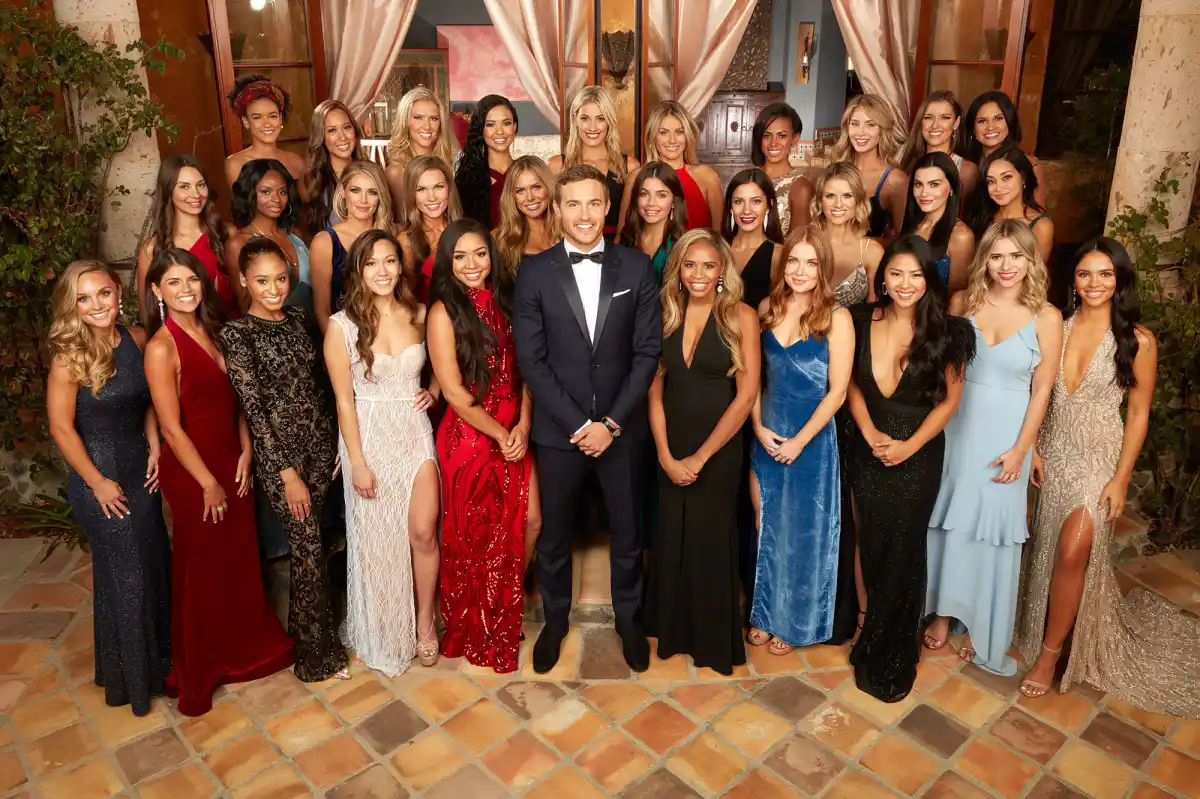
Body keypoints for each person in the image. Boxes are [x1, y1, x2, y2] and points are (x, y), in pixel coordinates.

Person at [1016, 238, 1198, 716]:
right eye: (1084, 274)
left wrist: (1120, 479)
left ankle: (1050, 656)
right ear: (1073, 279)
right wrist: (1032, 446)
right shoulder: (1053, 324)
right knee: (1047, 544)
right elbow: (1033, 391)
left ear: (1120, 281)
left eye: (1105, 274)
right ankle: (1043, 620)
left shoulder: (1138, 341)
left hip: (1098, 457)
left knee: (1073, 549)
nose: (1094, 283)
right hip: (1053, 450)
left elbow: (1137, 414)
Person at [514, 164, 661, 674]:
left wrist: (611, 424)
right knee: (555, 536)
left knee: (628, 535)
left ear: (607, 208)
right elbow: (531, 360)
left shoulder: (637, 268)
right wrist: (580, 426)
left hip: (622, 431)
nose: (584, 214)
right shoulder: (534, 272)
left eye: (593, 203)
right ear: (557, 209)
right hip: (560, 433)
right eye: (573, 203)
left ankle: (629, 623)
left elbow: (647, 353)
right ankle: (554, 624)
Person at [143, 248, 294, 714]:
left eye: (191, 279)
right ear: (156, 290)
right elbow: (171, 428)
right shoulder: (161, 348)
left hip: (232, 457)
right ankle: (203, 658)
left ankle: (243, 647)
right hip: (194, 470)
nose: (186, 289)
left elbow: (239, 398)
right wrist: (208, 482)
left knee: (237, 557)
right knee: (203, 563)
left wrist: (246, 449)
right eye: (173, 282)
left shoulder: (214, 328)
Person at [923, 220, 1062, 675]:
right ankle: (941, 613)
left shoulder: (1047, 317)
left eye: (1016, 255)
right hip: (957, 427)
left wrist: (1023, 449)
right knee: (949, 522)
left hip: (1008, 437)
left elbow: (1043, 390)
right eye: (998, 255)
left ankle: (980, 623)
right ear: (985, 259)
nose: (1006, 265)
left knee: (992, 534)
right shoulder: (963, 303)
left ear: (1030, 260)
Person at [844, 235, 975, 702]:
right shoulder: (858, 320)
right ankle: (871, 622)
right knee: (870, 538)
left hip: (918, 452)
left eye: (915, 275)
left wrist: (909, 447)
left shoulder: (951, 332)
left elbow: (950, 403)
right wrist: (869, 433)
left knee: (904, 544)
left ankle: (891, 643)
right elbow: (850, 385)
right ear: (882, 278)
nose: (904, 283)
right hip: (866, 445)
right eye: (896, 273)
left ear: (929, 279)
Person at [218, 239, 348, 683]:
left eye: (280, 279)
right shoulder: (236, 335)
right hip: (282, 458)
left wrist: (336, 440)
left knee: (314, 546)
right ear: (243, 281)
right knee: (308, 548)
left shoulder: (296, 318)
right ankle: (317, 658)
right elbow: (254, 412)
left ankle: (302, 637)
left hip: (320, 446)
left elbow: (317, 385)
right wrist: (286, 474)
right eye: (262, 281)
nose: (274, 289)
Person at [47, 261, 171, 716]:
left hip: (141, 470)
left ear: (118, 293)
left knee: (152, 562)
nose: (97, 304)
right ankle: (133, 683)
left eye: (103, 293)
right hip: (98, 477)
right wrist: (96, 482)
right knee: (127, 575)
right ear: (73, 306)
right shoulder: (68, 357)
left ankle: (147, 667)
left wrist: (155, 445)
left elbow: (148, 403)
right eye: (84, 298)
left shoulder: (136, 338)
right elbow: (61, 428)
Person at [325, 229, 440, 675]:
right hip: (369, 437)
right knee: (377, 540)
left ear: (400, 266)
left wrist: (433, 389)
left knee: (424, 532)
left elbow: (446, 360)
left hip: (414, 431)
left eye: (390, 261)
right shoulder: (341, 326)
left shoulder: (421, 313)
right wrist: (356, 461)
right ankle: (385, 626)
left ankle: (425, 624)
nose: (382, 271)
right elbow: (343, 401)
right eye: (371, 263)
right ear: (358, 270)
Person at [646, 229, 761, 675]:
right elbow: (654, 390)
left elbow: (746, 397)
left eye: (708, 265)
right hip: (670, 443)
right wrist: (664, 453)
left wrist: (700, 457)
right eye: (689, 265)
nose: (698, 274)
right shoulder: (665, 314)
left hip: (719, 448)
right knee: (671, 536)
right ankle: (673, 633)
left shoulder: (741, 316)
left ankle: (712, 641)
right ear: (678, 270)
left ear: (722, 271)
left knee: (711, 539)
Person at [429, 219, 536, 672]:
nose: (472, 264)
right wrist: (500, 433)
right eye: (460, 256)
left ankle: (503, 602)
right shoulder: (442, 312)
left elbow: (528, 370)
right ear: (447, 262)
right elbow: (454, 393)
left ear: (491, 256)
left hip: (514, 429)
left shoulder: (509, 302)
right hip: (470, 436)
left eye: (479, 254)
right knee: (473, 534)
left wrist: (523, 426)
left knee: (531, 520)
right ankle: (473, 619)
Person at [749, 226, 853, 653]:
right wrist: (757, 425)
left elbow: (838, 392)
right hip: (767, 432)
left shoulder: (837, 317)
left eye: (811, 263)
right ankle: (764, 613)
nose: (800, 270)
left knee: (805, 532)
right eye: (793, 260)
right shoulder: (766, 309)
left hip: (812, 441)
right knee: (766, 524)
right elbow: (752, 378)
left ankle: (794, 623)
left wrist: (799, 442)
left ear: (823, 268)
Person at [136, 154, 236, 321]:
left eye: (201, 185)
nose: (196, 194)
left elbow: (247, 295)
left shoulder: (226, 234)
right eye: (184, 187)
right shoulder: (152, 248)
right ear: (168, 191)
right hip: (182, 334)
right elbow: (148, 311)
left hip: (233, 331)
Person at [310, 160, 394, 333]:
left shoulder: (393, 236)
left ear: (380, 196)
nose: (363, 200)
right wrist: (338, 345)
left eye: (372, 192)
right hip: (342, 337)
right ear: (342, 191)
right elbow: (322, 309)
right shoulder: (324, 242)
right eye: (355, 190)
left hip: (389, 333)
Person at [226, 159, 311, 319]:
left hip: (317, 328)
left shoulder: (296, 235)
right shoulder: (239, 244)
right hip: (274, 330)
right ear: (251, 195)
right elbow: (245, 305)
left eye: (282, 192)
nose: (276, 199)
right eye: (266, 192)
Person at [550, 86, 640, 238]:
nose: (592, 127)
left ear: (609, 121)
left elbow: (634, 220)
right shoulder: (557, 165)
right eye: (585, 118)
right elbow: (552, 221)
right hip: (571, 245)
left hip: (618, 246)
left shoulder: (630, 166)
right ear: (575, 119)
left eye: (600, 118)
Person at [620, 101, 722, 231]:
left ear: (688, 136)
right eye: (663, 132)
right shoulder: (636, 177)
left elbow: (719, 234)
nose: (672, 140)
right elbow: (622, 234)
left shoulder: (707, 176)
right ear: (652, 137)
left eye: (679, 132)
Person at [831, 95, 908, 240]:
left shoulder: (895, 180)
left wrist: (861, 247)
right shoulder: (835, 170)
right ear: (847, 127)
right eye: (855, 124)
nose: (861, 132)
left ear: (882, 130)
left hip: (871, 254)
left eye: (870, 125)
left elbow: (903, 239)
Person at [900, 153, 975, 294]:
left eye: (934, 185)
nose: (924, 193)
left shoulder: (961, 236)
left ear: (951, 187)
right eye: (918, 184)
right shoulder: (912, 225)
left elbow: (956, 298)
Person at [811, 163, 884, 306]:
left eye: (846, 196)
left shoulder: (872, 251)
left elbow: (875, 310)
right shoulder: (806, 243)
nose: (838, 204)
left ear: (858, 201)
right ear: (820, 200)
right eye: (830, 196)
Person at [968, 146, 1054, 264]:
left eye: (1006, 177)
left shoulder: (1041, 225)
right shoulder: (982, 219)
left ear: (1023, 178)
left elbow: (1037, 273)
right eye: (991, 181)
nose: (998, 188)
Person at [397, 155, 462, 304]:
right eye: (421, 189)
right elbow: (406, 299)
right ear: (411, 194)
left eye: (438, 187)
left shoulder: (467, 232)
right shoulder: (405, 241)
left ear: (449, 188)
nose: (431, 197)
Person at [964, 91, 1046, 208]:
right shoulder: (966, 167)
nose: (990, 127)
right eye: (982, 121)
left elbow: (1037, 215)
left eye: (998, 118)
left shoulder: (1030, 165)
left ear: (1010, 122)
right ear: (973, 129)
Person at [223, 74, 305, 189]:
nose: (267, 124)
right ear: (246, 122)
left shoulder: (297, 162)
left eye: (272, 116)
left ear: (280, 118)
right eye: (257, 117)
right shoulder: (235, 164)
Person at [384, 86, 456, 215]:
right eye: (418, 117)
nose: (427, 126)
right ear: (405, 121)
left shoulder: (451, 162)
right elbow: (402, 219)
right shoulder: (396, 172)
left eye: (434, 118)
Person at [900, 91, 979, 201]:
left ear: (956, 122)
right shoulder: (905, 158)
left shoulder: (966, 170)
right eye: (928, 117)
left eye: (945, 117)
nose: (935, 125)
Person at [301, 99, 366, 233]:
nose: (342, 137)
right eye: (332, 130)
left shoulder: (370, 173)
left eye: (347, 127)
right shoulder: (310, 179)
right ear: (321, 137)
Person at [723, 169, 784, 311]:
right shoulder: (717, 248)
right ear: (730, 207)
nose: (746, 210)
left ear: (769, 205)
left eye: (756, 201)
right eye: (738, 201)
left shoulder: (778, 255)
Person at [750, 101, 815, 235]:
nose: (773, 143)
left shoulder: (801, 188)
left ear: (795, 138)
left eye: (782, 136)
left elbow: (797, 243)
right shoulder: (748, 178)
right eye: (767, 136)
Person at [618, 161, 688, 284]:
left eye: (661, 195)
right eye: (644, 194)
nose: (651, 203)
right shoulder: (627, 237)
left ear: (673, 202)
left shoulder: (682, 244)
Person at [455, 94, 517, 229]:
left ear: (515, 127)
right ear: (481, 130)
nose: (499, 131)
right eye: (490, 124)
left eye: (506, 123)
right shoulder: (468, 179)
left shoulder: (526, 172)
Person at [493, 155, 559, 278]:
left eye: (536, 187)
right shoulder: (501, 239)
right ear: (512, 196)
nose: (530, 198)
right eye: (520, 191)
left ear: (548, 187)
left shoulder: (569, 230)